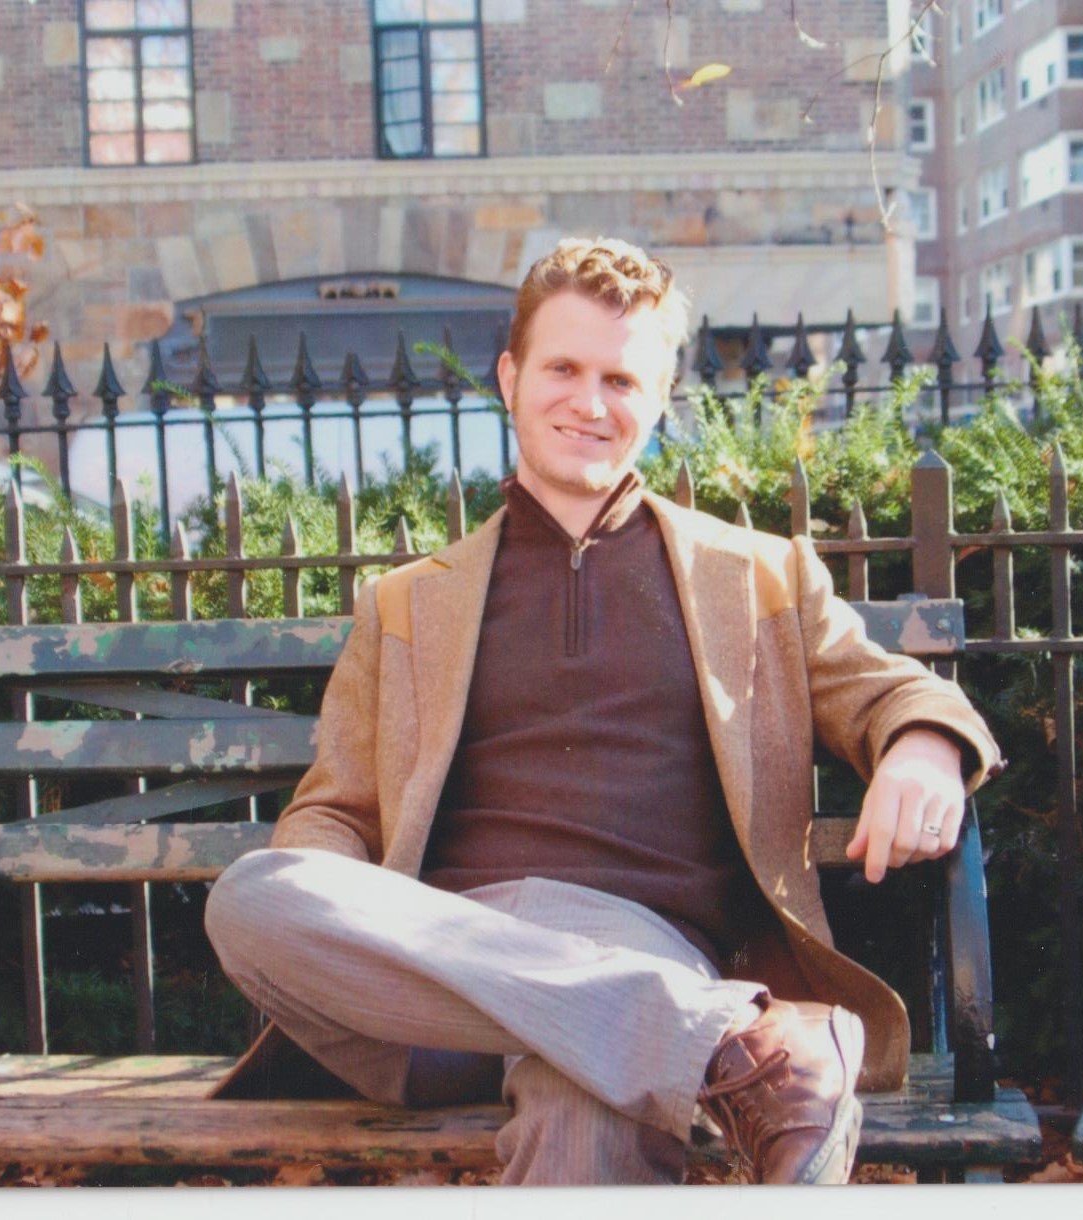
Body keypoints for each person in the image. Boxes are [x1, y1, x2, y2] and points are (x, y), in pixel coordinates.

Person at [205, 237, 1003, 1186]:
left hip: (643, 945)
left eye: (622, 379)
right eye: (564, 370)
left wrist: (921, 747)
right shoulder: (409, 603)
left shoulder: (755, 578)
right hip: (436, 993)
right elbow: (336, 809)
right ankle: (734, 1050)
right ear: (509, 377)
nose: (590, 403)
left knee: (590, 1100)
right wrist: (343, 898)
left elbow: (892, 689)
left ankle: (676, 1036)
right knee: (254, 895)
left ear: (658, 400)